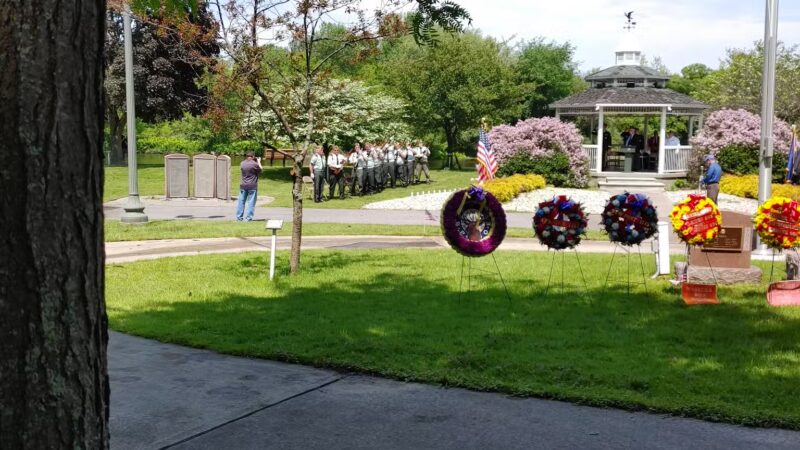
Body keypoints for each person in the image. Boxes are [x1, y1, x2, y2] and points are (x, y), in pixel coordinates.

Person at [236, 151, 262, 221]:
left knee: (241, 202)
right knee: (251, 202)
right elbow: (260, 170)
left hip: (243, 185)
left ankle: (239, 217)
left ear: (246, 156)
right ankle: (248, 218)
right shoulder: (254, 164)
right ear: (253, 156)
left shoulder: (242, 163)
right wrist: (259, 161)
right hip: (252, 186)